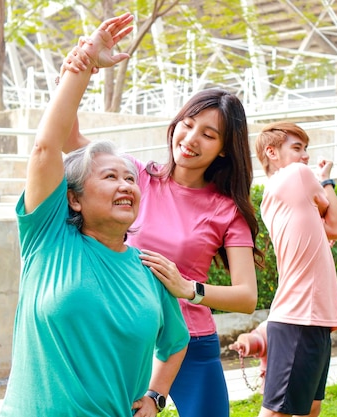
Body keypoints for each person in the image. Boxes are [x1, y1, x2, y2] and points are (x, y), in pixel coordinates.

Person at [60, 28, 264, 417]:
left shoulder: (226, 209)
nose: (191, 139)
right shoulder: (134, 176)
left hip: (191, 341)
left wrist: (189, 288)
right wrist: (82, 68)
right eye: (188, 124)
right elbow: (69, 138)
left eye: (209, 135)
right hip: (125, 329)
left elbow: (246, 296)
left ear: (223, 151)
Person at [0, 13, 189, 417]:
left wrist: (155, 398)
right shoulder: (48, 239)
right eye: (110, 177)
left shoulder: (149, 269)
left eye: (130, 179)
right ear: (74, 199)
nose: (126, 186)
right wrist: (83, 65)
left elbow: (175, 342)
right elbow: (46, 149)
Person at [253, 122, 337, 417]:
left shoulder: (283, 197)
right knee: (277, 412)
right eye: (296, 148)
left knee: (310, 408)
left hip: (311, 317)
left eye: (305, 149)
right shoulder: (296, 175)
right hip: (300, 316)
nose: (305, 156)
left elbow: (330, 228)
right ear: (272, 152)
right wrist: (327, 180)